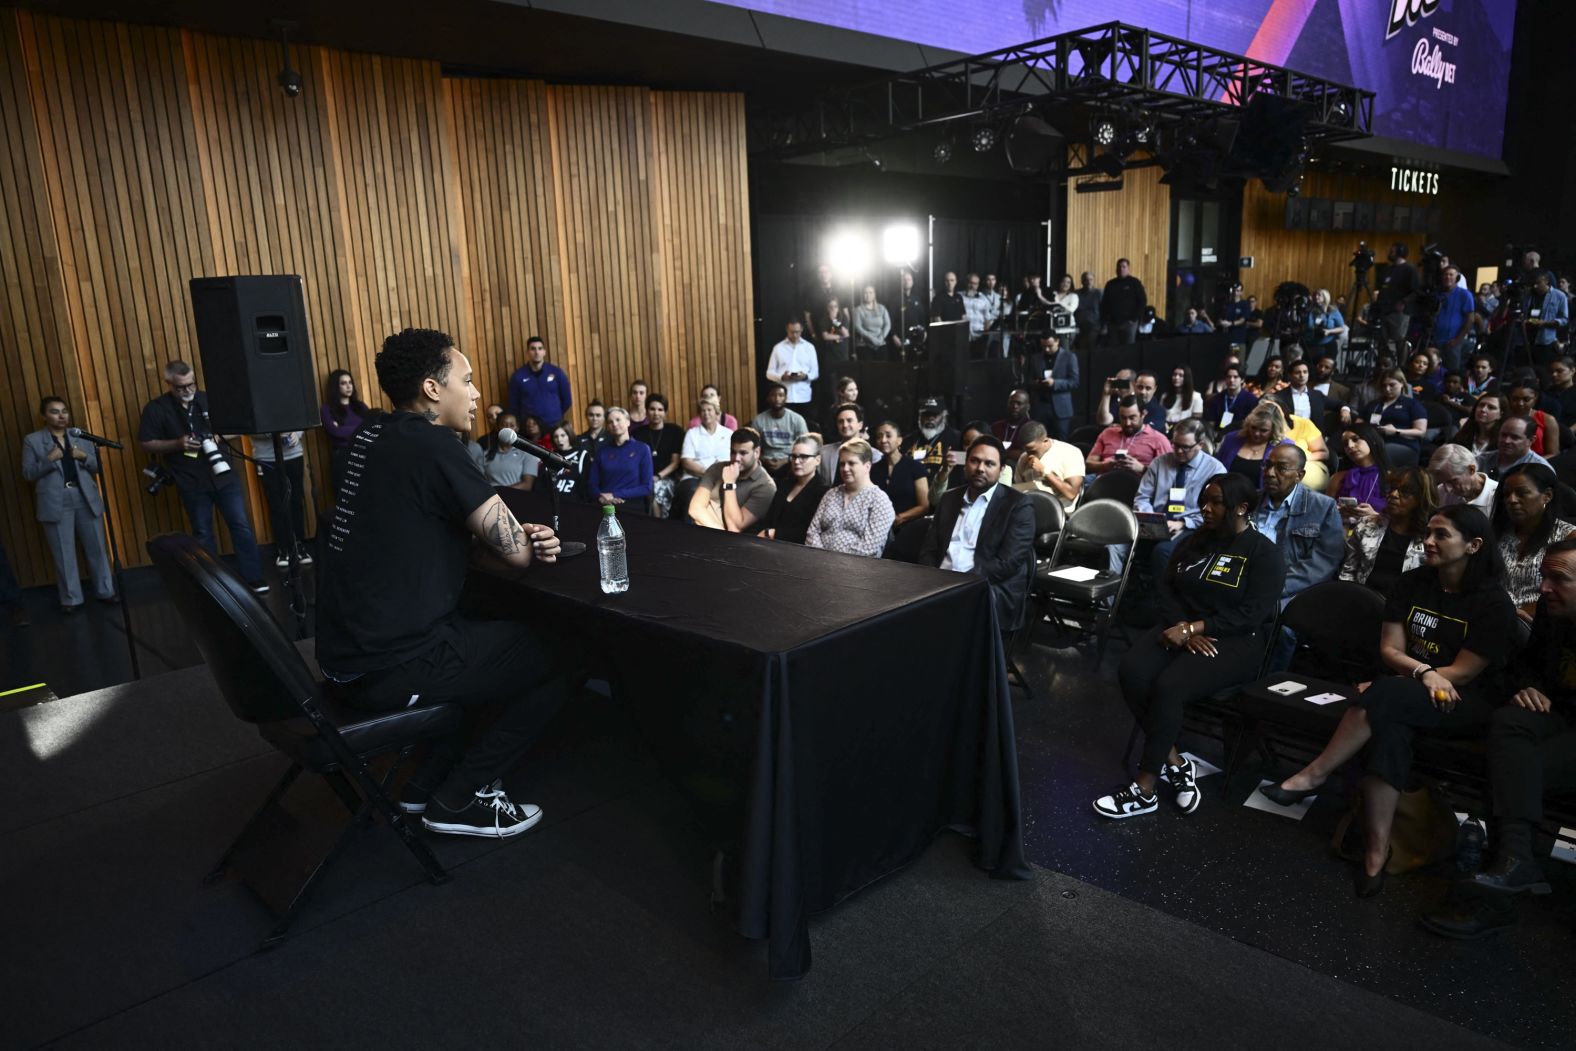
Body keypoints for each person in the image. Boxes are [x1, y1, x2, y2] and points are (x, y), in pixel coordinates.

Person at [317, 327, 571, 838]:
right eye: (468, 381)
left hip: (343, 657)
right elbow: (518, 555)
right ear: (434, 390)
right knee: (564, 650)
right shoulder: (436, 446)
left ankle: (422, 786)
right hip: (393, 663)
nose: (478, 394)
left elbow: (417, 530)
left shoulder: (369, 435)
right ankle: (461, 797)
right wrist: (518, 539)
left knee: (485, 631)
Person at [1262, 505, 1515, 897]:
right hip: (1409, 688)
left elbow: (1464, 672)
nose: (1428, 542)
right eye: (1428, 532)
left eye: (1442, 535)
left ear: (1474, 545)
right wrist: (1420, 675)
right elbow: (1390, 650)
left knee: (1385, 694)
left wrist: (1414, 680)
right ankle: (1377, 855)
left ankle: (1313, 775)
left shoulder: (1493, 603)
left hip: (1465, 702)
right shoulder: (1413, 582)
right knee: (1391, 730)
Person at [1093, 473, 1285, 819]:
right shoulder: (1197, 540)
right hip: (1181, 628)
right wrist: (1181, 627)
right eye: (1204, 501)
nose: (1205, 509)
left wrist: (1197, 626)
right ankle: (1176, 763)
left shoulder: (1264, 554)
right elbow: (1166, 588)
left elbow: (1252, 615)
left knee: (1169, 686)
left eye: (1215, 503)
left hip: (1234, 641)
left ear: (1241, 508)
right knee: (1132, 670)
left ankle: (1145, 788)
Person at [1440, 539, 1576, 920]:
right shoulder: (1553, 612)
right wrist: (1529, 686)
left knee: (1514, 766)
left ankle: (1504, 868)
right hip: (1561, 713)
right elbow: (1530, 665)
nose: (1545, 588)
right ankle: (1514, 860)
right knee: (1509, 722)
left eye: (1559, 579)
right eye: (1544, 576)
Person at [137, 360, 267, 593]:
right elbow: (146, 443)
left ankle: (253, 577)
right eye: (180, 387)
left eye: (191, 385)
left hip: (223, 475)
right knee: (203, 532)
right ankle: (214, 584)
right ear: (168, 384)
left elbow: (241, 425)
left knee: (241, 526)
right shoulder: (156, 408)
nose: (188, 391)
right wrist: (179, 443)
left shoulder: (209, 400)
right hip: (189, 479)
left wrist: (218, 437)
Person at [919, 435, 1036, 632]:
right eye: (974, 461)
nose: (980, 468)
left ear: (1002, 470)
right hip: (939, 583)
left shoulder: (1018, 506)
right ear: (965, 464)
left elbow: (1007, 563)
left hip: (986, 587)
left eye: (989, 464)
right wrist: (934, 579)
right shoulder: (949, 499)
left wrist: (959, 583)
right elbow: (928, 550)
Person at [21, 396, 116, 612]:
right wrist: (48, 459)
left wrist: (84, 456)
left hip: (84, 497)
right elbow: (27, 473)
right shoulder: (33, 440)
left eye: (64, 411)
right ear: (44, 416)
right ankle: (71, 599)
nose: (61, 415)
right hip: (56, 500)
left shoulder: (79, 436)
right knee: (64, 553)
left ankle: (106, 591)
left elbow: (96, 467)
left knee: (98, 548)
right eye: (54, 411)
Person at [1249, 443, 1344, 609]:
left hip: (1291, 591)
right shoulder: (1250, 502)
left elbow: (1320, 564)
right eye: (1268, 465)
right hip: (1244, 583)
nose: (1270, 473)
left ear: (1299, 475)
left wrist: (1271, 588)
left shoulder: (1323, 507)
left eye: (1281, 468)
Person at [1491, 463, 1575, 619]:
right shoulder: (1497, 534)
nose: (1512, 500)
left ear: (1547, 495)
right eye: (1507, 494)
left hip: (1542, 620)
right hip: (1493, 616)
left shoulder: (1568, 537)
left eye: (1522, 493)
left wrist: (1524, 613)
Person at [1339, 468, 1434, 593]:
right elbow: (1348, 571)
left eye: (1404, 491)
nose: (1393, 494)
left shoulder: (1431, 539)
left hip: (1403, 605)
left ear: (1421, 498)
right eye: (1392, 488)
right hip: (1361, 598)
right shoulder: (1366, 525)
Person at [805, 438, 895, 557]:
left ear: (867, 466)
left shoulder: (879, 500)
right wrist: (821, 559)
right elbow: (812, 532)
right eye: (842, 464)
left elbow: (869, 548)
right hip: (817, 563)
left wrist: (835, 563)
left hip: (857, 570)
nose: (845, 469)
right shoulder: (831, 494)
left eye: (851, 463)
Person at [687, 427, 776, 531]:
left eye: (743, 453)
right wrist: (720, 533)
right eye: (733, 452)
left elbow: (735, 526)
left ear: (756, 452)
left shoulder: (766, 486)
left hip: (739, 542)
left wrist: (729, 483)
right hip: (708, 531)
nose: (736, 459)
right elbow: (695, 509)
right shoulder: (716, 468)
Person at [248, 429, 311, 569]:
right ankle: (283, 549)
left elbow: (300, 416)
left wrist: (296, 433)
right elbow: (249, 427)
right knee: (276, 505)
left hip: (293, 453)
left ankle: (299, 545)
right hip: (267, 458)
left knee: (296, 501)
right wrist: (274, 432)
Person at [757, 436, 830, 544]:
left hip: (797, 549)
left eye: (803, 457)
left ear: (817, 460)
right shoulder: (785, 483)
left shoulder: (823, 491)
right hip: (769, 543)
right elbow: (769, 518)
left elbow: (810, 532)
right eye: (794, 456)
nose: (796, 461)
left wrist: (773, 533)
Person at [1348, 369, 1428, 462]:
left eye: (1392, 385)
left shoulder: (1412, 404)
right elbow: (1360, 422)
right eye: (1384, 385)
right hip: (1374, 441)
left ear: (1402, 383)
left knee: (1377, 452)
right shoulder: (1374, 404)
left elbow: (1421, 432)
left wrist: (1396, 431)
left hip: (1402, 443)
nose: (1387, 389)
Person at [589, 407, 653, 514]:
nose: (614, 424)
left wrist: (615, 494)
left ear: (628, 422)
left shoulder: (642, 449)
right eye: (610, 422)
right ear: (608, 427)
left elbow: (646, 487)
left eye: (618, 420)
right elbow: (592, 484)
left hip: (631, 505)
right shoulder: (602, 451)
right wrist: (601, 497)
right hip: (605, 505)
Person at [1087, 396, 1172, 476]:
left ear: (1143, 414)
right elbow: (1088, 465)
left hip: (1137, 486)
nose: (1127, 423)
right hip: (1102, 484)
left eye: (1132, 418)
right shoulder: (1107, 433)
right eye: (1123, 418)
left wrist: (1142, 469)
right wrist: (1104, 466)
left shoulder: (1159, 440)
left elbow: (1168, 474)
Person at [871, 420, 931, 532]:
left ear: (899, 440)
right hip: (877, 528)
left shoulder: (915, 467)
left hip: (909, 528)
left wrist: (899, 518)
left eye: (888, 436)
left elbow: (924, 506)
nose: (883, 440)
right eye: (879, 437)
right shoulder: (872, 469)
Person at [321, 369, 371, 499]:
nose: (349, 386)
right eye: (343, 383)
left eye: (350, 382)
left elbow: (372, 426)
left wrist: (345, 428)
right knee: (347, 498)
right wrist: (361, 427)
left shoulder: (360, 406)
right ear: (335, 387)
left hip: (365, 453)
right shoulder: (327, 409)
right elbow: (335, 432)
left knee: (366, 495)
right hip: (342, 457)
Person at [678, 397, 734, 514]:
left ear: (716, 412)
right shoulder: (692, 433)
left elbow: (734, 458)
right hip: (695, 477)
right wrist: (708, 473)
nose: (706, 413)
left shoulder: (728, 434)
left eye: (709, 410)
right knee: (691, 494)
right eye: (703, 411)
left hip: (723, 477)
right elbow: (686, 462)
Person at [1011, 420, 1084, 509]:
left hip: (1059, 510)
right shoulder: (1024, 457)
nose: (1030, 455)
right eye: (1026, 451)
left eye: (1033, 451)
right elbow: (1018, 489)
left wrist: (1044, 471)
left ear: (1045, 441)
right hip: (1030, 508)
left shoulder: (1070, 453)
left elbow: (1071, 494)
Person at [1328, 422, 1391, 525]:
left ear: (1372, 440)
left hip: (1377, 535)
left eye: (1356, 439)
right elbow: (1324, 514)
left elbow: (1403, 523)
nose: (1350, 445)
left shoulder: (1392, 478)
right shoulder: (1338, 477)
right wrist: (1336, 512)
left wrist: (1376, 516)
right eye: (1345, 443)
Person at [1216, 401, 1294, 485]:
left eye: (1263, 430)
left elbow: (1285, 482)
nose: (1256, 433)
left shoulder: (1284, 447)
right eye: (1253, 428)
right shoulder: (1232, 438)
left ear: (1275, 430)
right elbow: (1216, 468)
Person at [506, 336, 571, 429]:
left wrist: (554, 414)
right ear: (527, 352)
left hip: (554, 426)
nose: (536, 352)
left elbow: (567, 400)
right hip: (530, 429)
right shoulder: (518, 376)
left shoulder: (557, 372)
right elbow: (514, 405)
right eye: (533, 349)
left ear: (544, 352)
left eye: (540, 348)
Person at [901, 398, 961, 500]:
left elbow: (959, 474)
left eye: (935, 415)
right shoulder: (908, 440)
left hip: (943, 498)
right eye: (926, 415)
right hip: (910, 497)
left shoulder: (957, 439)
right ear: (920, 416)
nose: (930, 418)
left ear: (944, 416)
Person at [1024, 331, 1079, 438]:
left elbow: (1074, 382)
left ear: (1057, 341)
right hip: (1040, 406)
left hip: (1061, 408)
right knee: (1039, 439)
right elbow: (1028, 381)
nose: (1047, 349)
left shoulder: (1069, 357)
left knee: (1062, 440)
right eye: (1044, 346)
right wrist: (1037, 383)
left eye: (1050, 346)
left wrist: (1055, 383)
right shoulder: (1036, 358)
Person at [636, 394, 683, 518]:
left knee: (656, 491)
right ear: (646, 411)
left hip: (668, 477)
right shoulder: (638, 433)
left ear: (665, 412)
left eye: (660, 409)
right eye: (652, 409)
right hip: (643, 478)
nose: (656, 413)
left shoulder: (675, 431)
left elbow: (675, 462)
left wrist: (658, 476)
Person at [750, 382, 809, 478]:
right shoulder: (758, 420)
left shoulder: (797, 419)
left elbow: (805, 445)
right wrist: (763, 459)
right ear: (768, 398)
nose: (777, 399)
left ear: (786, 398)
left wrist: (786, 460)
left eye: (781, 395)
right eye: (773, 395)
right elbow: (751, 446)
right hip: (764, 462)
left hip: (791, 461)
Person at [765, 320, 820, 414]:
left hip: (804, 396)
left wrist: (805, 376)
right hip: (785, 398)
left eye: (797, 332)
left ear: (802, 330)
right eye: (792, 332)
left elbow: (815, 373)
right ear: (787, 330)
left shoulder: (809, 348)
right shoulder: (778, 348)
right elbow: (769, 373)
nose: (794, 335)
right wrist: (781, 377)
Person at [1432, 264, 1478, 372]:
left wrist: (1458, 339)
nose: (1448, 277)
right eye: (1445, 274)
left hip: (1453, 341)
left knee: (1453, 371)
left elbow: (1470, 318)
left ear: (1456, 278)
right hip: (1436, 340)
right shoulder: (1437, 294)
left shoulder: (1465, 295)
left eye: (1451, 275)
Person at [1375, 243, 1419, 355]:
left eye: (1392, 251)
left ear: (1400, 252)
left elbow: (1416, 291)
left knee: (1400, 341)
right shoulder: (1387, 269)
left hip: (1400, 312)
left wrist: (1403, 302)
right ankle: (1383, 365)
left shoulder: (1410, 269)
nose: (1389, 253)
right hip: (1384, 310)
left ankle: (1401, 367)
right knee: (1382, 341)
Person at [1428, 442, 1498, 512]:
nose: (1447, 490)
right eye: (1443, 483)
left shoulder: (1498, 495)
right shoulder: (1441, 491)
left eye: (1453, 481)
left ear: (1471, 469)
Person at [1503, 376, 1562, 457]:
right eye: (1515, 399)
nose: (1520, 403)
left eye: (1526, 399)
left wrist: (1530, 466)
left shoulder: (1547, 420)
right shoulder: (1503, 416)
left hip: (1536, 464)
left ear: (1535, 398)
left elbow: (1553, 453)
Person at [1478, 415, 1551, 480]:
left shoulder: (1540, 468)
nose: (1506, 441)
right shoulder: (1482, 460)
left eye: (1515, 437)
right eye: (1503, 435)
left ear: (1531, 440)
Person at [481, 415, 540, 490]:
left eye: (512, 425)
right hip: (492, 499)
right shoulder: (486, 454)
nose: (508, 429)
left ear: (517, 428)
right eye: (504, 425)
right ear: (498, 428)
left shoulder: (527, 454)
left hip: (516, 498)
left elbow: (527, 485)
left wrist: (502, 493)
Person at [1525, 270, 1569, 366]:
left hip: (1547, 340)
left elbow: (1564, 319)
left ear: (1546, 281)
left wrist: (1545, 323)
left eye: (1538, 283)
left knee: (1543, 369)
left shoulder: (1559, 296)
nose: (1535, 286)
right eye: (1534, 283)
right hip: (1528, 338)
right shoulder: (1530, 295)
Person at [1099, 258, 1146, 346]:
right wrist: (1105, 321)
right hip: (1113, 324)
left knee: (1129, 349)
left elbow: (1142, 301)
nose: (1121, 269)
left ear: (1128, 268)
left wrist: (1134, 318)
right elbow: (1104, 304)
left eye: (1124, 267)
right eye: (1119, 267)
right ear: (1116, 269)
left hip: (1129, 323)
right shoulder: (1110, 284)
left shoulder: (1135, 283)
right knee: (1114, 349)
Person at [1272, 360, 1328, 432]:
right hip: (1288, 436)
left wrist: (1345, 409)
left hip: (1312, 437)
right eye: (1298, 372)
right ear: (1290, 375)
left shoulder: (1317, 395)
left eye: (1305, 372)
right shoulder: (1279, 396)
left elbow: (1338, 404)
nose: (1302, 375)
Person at [1204, 363, 1258, 433]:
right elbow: (1211, 424)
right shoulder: (1216, 399)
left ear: (1242, 380)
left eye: (1235, 377)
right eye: (1228, 377)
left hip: (1241, 436)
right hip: (1218, 436)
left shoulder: (1251, 400)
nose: (1231, 380)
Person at [819, 402, 864, 485]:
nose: (845, 425)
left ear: (860, 425)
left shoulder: (874, 455)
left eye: (849, 420)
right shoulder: (824, 452)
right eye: (840, 421)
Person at [1450, 392, 1504, 457]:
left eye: (1491, 407)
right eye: (1481, 405)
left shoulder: (1502, 442)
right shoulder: (1464, 434)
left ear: (1500, 414)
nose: (1483, 410)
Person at [549, 424, 592, 503]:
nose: (559, 439)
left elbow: (586, 485)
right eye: (556, 436)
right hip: (551, 503)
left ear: (569, 435)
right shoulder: (549, 455)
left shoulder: (582, 455)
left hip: (574, 504)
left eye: (563, 435)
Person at [851, 284, 891, 358]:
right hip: (864, 346)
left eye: (870, 292)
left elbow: (887, 324)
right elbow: (858, 327)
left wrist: (881, 337)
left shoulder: (882, 308)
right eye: (865, 293)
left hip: (880, 344)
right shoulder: (858, 310)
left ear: (874, 295)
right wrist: (872, 339)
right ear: (863, 295)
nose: (868, 295)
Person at [814, 296, 852, 365]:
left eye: (835, 306)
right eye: (830, 307)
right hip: (830, 354)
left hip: (842, 353)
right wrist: (840, 337)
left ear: (838, 307)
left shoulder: (843, 317)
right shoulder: (823, 320)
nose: (833, 309)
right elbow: (825, 336)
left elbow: (846, 334)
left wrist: (834, 321)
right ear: (827, 308)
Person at [1073, 271, 1102, 350]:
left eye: (1091, 279)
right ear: (1082, 281)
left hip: (1094, 326)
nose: (1089, 282)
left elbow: (1104, 310)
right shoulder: (1076, 294)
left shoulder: (1098, 293)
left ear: (1093, 281)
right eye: (1086, 280)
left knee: (1089, 346)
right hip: (1078, 326)